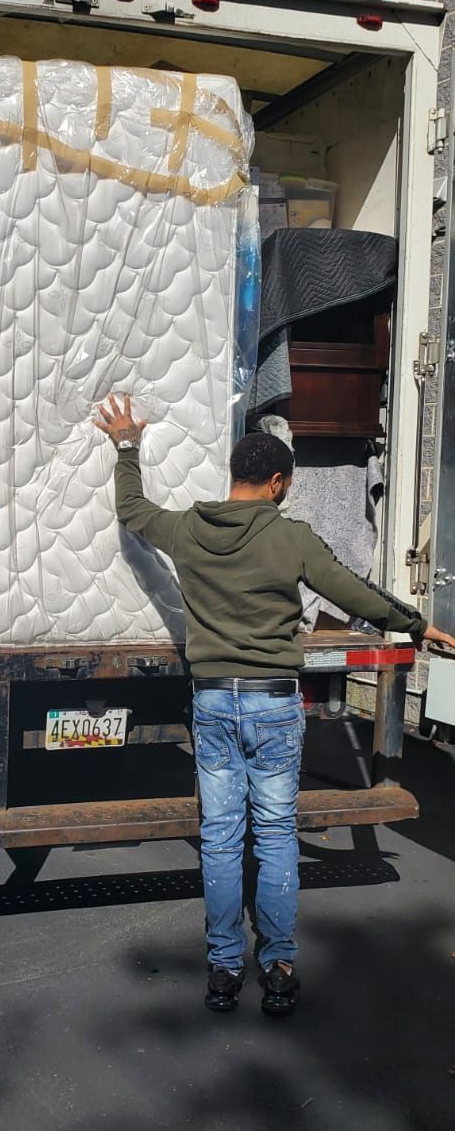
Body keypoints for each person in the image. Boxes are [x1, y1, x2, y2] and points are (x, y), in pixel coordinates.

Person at [95, 394, 455, 1018]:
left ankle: (223, 969)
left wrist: (127, 446)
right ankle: (279, 966)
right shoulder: (291, 539)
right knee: (276, 834)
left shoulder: (186, 529)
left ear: (235, 476)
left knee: (221, 836)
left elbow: (132, 511)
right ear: (278, 481)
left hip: (211, 703)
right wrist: (417, 626)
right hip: (271, 705)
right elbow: (356, 592)